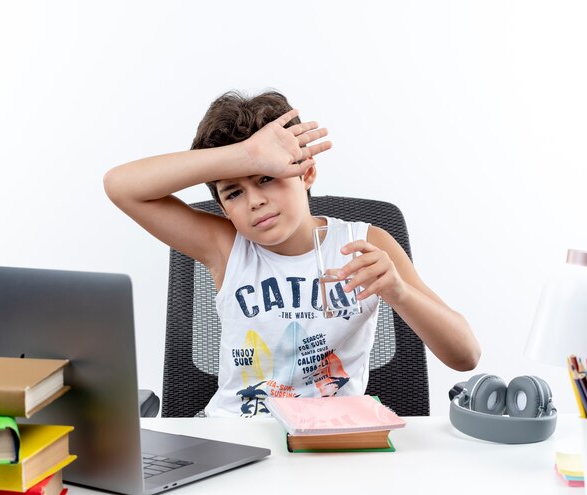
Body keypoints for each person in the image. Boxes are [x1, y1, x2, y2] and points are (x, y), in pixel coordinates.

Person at [104, 90, 480, 417]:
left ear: (308, 172)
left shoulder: (369, 242)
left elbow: (466, 355)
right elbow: (120, 186)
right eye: (233, 192)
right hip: (240, 436)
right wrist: (247, 155)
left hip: (331, 442)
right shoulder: (225, 247)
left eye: (267, 177)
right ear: (222, 206)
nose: (255, 201)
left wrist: (399, 291)